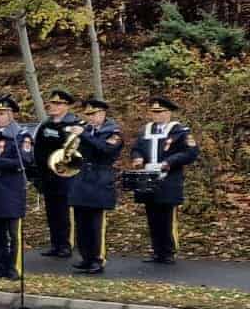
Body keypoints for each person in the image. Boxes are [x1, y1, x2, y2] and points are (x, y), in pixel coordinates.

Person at [130, 96, 199, 264]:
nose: (156, 115)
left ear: (168, 113)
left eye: (160, 112)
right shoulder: (146, 130)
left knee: (167, 216)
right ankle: (157, 251)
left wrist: (170, 161)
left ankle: (168, 251)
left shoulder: (180, 131)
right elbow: (136, 148)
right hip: (148, 178)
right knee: (152, 215)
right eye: (154, 112)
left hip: (169, 179)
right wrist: (137, 158)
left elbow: (191, 153)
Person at [67, 99, 122, 274]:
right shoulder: (86, 129)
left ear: (103, 113)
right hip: (82, 177)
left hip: (100, 178)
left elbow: (105, 150)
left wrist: (83, 135)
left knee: (95, 224)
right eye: (88, 114)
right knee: (81, 221)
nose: (90, 117)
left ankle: (98, 259)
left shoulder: (113, 132)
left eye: (93, 114)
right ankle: (86, 257)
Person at [0, 95, 31, 280]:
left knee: (12, 234)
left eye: (1, 113)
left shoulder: (21, 135)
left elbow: (23, 161)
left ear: (11, 115)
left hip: (11, 189)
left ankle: (13, 268)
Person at [33, 89, 80, 260]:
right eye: (52, 103)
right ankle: (55, 244)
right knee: (52, 212)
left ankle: (66, 245)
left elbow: (76, 152)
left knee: (64, 212)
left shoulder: (75, 124)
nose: (53, 106)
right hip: (48, 175)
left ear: (67, 106)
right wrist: (38, 174)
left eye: (58, 104)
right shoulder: (46, 125)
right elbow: (38, 149)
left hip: (66, 175)